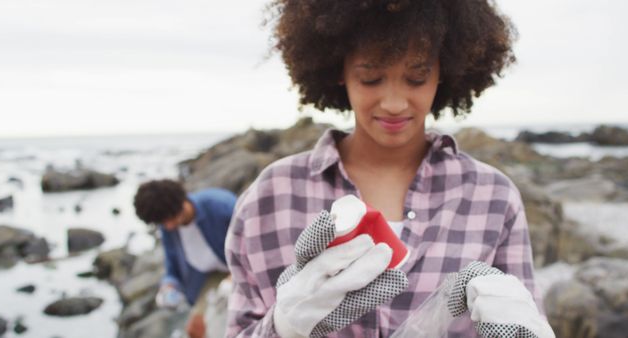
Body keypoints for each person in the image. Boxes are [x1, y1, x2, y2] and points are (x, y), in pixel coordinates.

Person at [225, 0, 554, 337]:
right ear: (339, 69)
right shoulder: (270, 197)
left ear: (444, 70)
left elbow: (523, 319)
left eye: (417, 77)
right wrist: (282, 327)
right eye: (371, 78)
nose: (394, 103)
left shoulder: (493, 197)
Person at [134, 179, 236, 338]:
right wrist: (168, 287)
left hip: (241, 268)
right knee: (195, 330)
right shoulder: (168, 228)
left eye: (169, 218)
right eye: (162, 222)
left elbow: (255, 242)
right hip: (210, 278)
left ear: (180, 203)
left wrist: (234, 277)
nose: (168, 226)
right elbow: (172, 268)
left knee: (220, 327)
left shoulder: (220, 205)